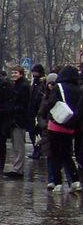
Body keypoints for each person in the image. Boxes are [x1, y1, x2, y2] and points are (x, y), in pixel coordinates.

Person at [43, 64, 82, 193]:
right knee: (67, 154)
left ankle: (57, 183)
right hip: (70, 126)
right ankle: (75, 181)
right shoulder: (78, 89)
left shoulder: (58, 87)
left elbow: (51, 103)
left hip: (56, 125)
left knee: (55, 154)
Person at [4, 64, 31, 177]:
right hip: (14, 119)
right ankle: (16, 168)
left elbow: (24, 104)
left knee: (18, 146)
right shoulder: (16, 85)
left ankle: (18, 170)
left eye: (15, 73)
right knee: (15, 145)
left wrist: (12, 109)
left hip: (19, 120)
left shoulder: (23, 86)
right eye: (12, 72)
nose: (13, 75)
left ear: (21, 74)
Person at [28, 64, 46, 156]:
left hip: (39, 111)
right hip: (32, 111)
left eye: (35, 71)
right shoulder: (33, 83)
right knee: (33, 132)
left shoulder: (42, 83)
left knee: (38, 132)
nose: (34, 73)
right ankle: (36, 149)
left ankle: (38, 150)